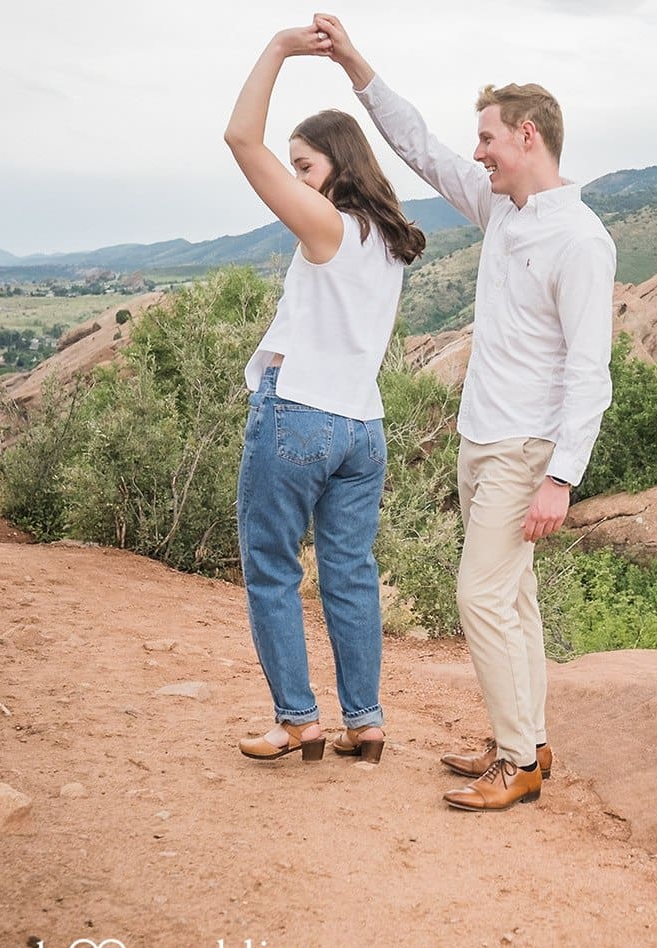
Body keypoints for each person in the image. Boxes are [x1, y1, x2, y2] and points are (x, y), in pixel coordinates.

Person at [314, 14, 616, 811]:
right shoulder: (502, 209)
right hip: (481, 437)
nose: (476, 151)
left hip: (526, 448)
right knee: (512, 598)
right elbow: (420, 147)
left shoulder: (581, 241)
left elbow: (591, 372)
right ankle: (529, 741)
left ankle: (515, 763)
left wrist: (562, 476)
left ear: (526, 136)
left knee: (479, 595)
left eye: (487, 138)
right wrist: (354, 64)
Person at [226, 24, 425, 766]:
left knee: (271, 565)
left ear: (335, 167)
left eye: (304, 165)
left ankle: (297, 720)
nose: (297, 177)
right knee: (349, 573)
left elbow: (241, 140)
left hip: (300, 411)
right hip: (362, 429)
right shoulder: (389, 240)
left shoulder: (327, 225)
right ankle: (365, 723)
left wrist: (278, 49)